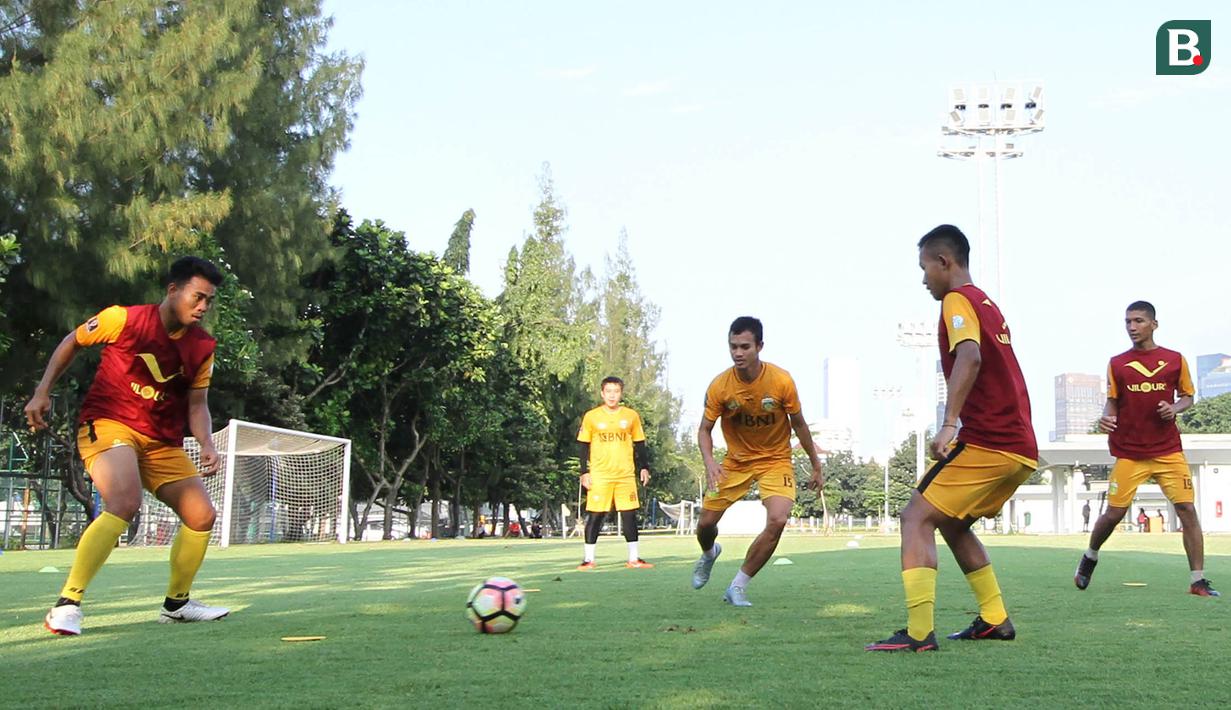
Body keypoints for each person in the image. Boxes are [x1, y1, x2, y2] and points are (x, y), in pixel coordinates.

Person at [26, 257, 231, 636]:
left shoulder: (203, 347)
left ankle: (177, 605)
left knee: (202, 515)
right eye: (197, 297)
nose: (203, 307)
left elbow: (197, 403)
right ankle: (67, 604)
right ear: (173, 290)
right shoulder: (122, 319)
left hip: (161, 441)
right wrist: (42, 392)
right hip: (108, 423)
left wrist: (206, 442)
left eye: (209, 301)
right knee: (124, 502)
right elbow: (73, 340)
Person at [866, 225, 1037, 652]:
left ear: (944, 262)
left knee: (915, 517)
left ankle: (920, 633)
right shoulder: (988, 304)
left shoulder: (958, 301)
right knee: (955, 524)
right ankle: (995, 619)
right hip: (1020, 448)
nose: (923, 278)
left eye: (925, 267)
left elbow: (971, 355)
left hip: (989, 441)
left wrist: (949, 422)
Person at [1075, 304, 1217, 596]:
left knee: (1187, 509)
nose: (1132, 326)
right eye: (1127, 321)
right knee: (1114, 514)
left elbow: (1188, 397)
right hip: (1129, 451)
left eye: (1138, 321)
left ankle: (1198, 580)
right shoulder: (1117, 363)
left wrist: (1174, 408)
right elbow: (1112, 400)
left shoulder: (1175, 360)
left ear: (1154, 324)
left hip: (1167, 450)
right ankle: (1090, 555)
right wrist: (1106, 416)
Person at [691, 317, 824, 606]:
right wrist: (710, 462)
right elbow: (704, 429)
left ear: (759, 346)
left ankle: (738, 586)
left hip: (775, 460)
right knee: (705, 524)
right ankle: (709, 553)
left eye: (744, 347)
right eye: (733, 346)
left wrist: (816, 465)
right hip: (735, 462)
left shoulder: (781, 381)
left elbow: (799, 425)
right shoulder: (720, 386)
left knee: (778, 519)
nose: (738, 353)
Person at [576, 376, 653, 569]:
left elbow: (640, 443)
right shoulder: (591, 416)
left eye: (616, 391)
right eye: (608, 391)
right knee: (596, 515)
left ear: (621, 393)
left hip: (625, 475)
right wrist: (584, 472)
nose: (612, 395)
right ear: (602, 393)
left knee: (629, 515)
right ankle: (589, 559)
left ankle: (634, 558)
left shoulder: (631, 416)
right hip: (600, 475)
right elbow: (583, 445)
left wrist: (645, 467)